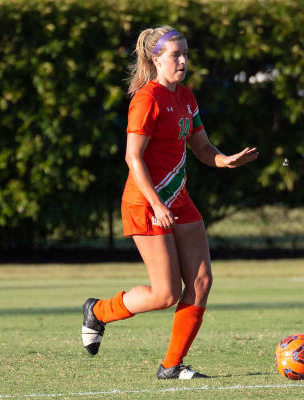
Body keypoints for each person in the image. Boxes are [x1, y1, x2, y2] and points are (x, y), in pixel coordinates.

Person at [81, 25, 258, 380]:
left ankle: (172, 366)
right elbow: (133, 157)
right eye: (176, 55)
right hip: (146, 203)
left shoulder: (187, 97)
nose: (183, 61)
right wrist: (157, 204)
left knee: (201, 282)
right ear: (155, 59)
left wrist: (224, 160)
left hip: (179, 200)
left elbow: (202, 147)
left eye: (186, 54)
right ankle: (99, 311)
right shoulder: (147, 99)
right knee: (165, 294)